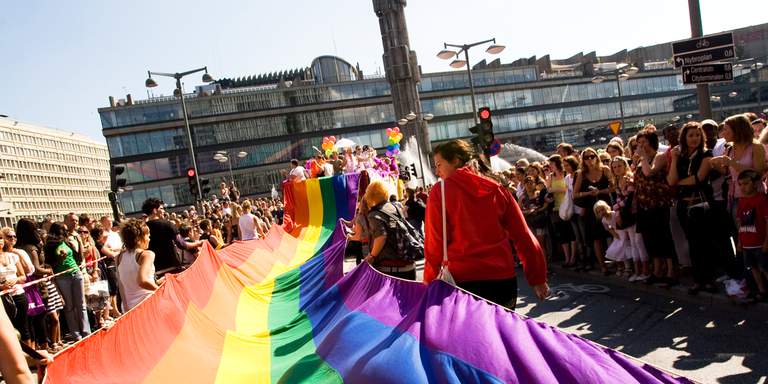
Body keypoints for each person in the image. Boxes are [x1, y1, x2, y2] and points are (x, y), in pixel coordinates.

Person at [423, 140, 549, 309]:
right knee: (501, 334)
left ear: (455, 160)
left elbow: (434, 244)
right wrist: (538, 278)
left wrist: (429, 283)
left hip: (463, 282)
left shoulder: (440, 192)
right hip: (502, 280)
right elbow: (523, 235)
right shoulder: (496, 188)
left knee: (468, 336)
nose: (437, 172)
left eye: (439, 165)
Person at [667, 122, 718, 295]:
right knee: (692, 243)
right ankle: (698, 280)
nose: (694, 138)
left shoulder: (706, 154)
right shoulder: (680, 156)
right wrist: (673, 159)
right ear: (684, 137)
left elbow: (699, 178)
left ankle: (709, 279)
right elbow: (670, 180)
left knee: (705, 243)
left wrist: (680, 182)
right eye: (690, 135)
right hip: (683, 205)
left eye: (697, 135)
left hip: (700, 204)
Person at [633, 129, 678, 288]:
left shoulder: (659, 156)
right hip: (644, 205)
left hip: (659, 204)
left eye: (643, 142)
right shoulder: (640, 160)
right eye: (638, 143)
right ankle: (657, 270)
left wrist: (643, 157)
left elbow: (649, 172)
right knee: (650, 240)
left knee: (664, 238)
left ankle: (671, 271)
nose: (640, 146)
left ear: (651, 142)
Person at [17, 218, 62, 352]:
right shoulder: (31, 248)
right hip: (39, 286)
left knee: (37, 319)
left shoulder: (20, 247)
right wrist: (48, 270)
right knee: (44, 317)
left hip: (31, 286)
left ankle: (46, 344)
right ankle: (47, 345)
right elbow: (36, 269)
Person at [44, 222, 91, 341]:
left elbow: (78, 257)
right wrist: (59, 258)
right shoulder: (50, 245)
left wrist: (80, 243)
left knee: (81, 304)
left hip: (76, 273)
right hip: (62, 277)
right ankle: (76, 334)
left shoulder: (67, 241)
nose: (65, 232)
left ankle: (86, 332)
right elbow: (50, 264)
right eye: (62, 230)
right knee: (69, 307)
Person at [364, 181, 418, 280]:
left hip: (390, 269)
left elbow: (381, 236)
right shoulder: (395, 207)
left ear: (370, 196)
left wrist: (371, 256)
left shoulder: (374, 214)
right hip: (408, 264)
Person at [573, 147, 614, 274]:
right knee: (596, 238)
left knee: (613, 234)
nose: (590, 159)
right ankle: (603, 266)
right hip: (591, 210)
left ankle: (619, 263)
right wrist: (588, 193)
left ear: (597, 157)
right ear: (583, 160)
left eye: (592, 156)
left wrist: (600, 191)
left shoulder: (605, 170)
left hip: (607, 206)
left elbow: (613, 187)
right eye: (586, 157)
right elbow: (575, 194)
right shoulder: (581, 174)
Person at [735, 169, 768, 303]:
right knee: (753, 267)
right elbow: (740, 224)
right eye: (740, 184)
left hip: (760, 243)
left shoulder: (762, 200)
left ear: (755, 183)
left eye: (746, 183)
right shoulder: (741, 201)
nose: (743, 187)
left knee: (765, 267)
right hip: (747, 242)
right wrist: (739, 242)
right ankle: (761, 290)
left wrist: (767, 242)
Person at [117, 219, 163, 311]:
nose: (149, 239)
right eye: (147, 236)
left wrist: (126, 306)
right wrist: (160, 290)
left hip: (129, 307)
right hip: (148, 303)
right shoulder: (147, 254)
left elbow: (121, 284)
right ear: (139, 238)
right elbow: (142, 280)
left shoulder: (119, 257)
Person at [547, 155, 575, 267]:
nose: (550, 166)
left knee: (571, 234)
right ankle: (567, 258)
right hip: (556, 209)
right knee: (562, 236)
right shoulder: (550, 176)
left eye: (552, 164)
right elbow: (548, 190)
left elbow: (568, 189)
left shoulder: (566, 175)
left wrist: (555, 190)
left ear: (557, 164)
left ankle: (573, 257)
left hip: (568, 207)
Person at [142, 198, 181, 275]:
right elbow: (181, 243)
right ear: (154, 210)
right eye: (162, 208)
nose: (164, 211)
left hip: (155, 270)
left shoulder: (142, 229)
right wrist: (198, 243)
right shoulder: (168, 224)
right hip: (172, 267)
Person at [342, 201, 369, 265]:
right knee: (359, 257)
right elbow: (350, 224)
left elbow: (358, 236)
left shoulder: (360, 216)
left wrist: (349, 237)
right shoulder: (360, 215)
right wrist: (343, 221)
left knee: (366, 262)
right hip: (365, 242)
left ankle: (359, 270)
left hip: (364, 241)